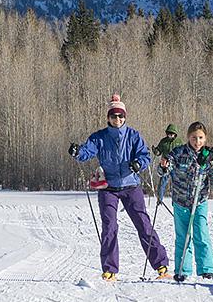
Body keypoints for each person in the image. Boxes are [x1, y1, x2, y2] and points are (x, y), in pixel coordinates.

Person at [69, 94, 169, 282]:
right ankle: (109, 270)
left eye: (121, 116)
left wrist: (139, 164)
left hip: (131, 185)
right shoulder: (99, 137)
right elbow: (87, 151)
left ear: (125, 117)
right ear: (108, 117)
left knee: (143, 225)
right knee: (109, 227)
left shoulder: (133, 136)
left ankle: (161, 265)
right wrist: (78, 152)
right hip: (108, 188)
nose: (117, 119)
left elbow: (145, 156)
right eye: (114, 116)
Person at [158, 121, 213, 282]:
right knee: (183, 236)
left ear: (205, 138)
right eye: (194, 137)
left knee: (201, 234)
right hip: (181, 201)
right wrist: (163, 167)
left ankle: (206, 269)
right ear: (188, 137)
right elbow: (165, 171)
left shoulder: (208, 156)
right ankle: (183, 269)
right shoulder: (178, 153)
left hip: (200, 202)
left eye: (201, 138)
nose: (198, 141)